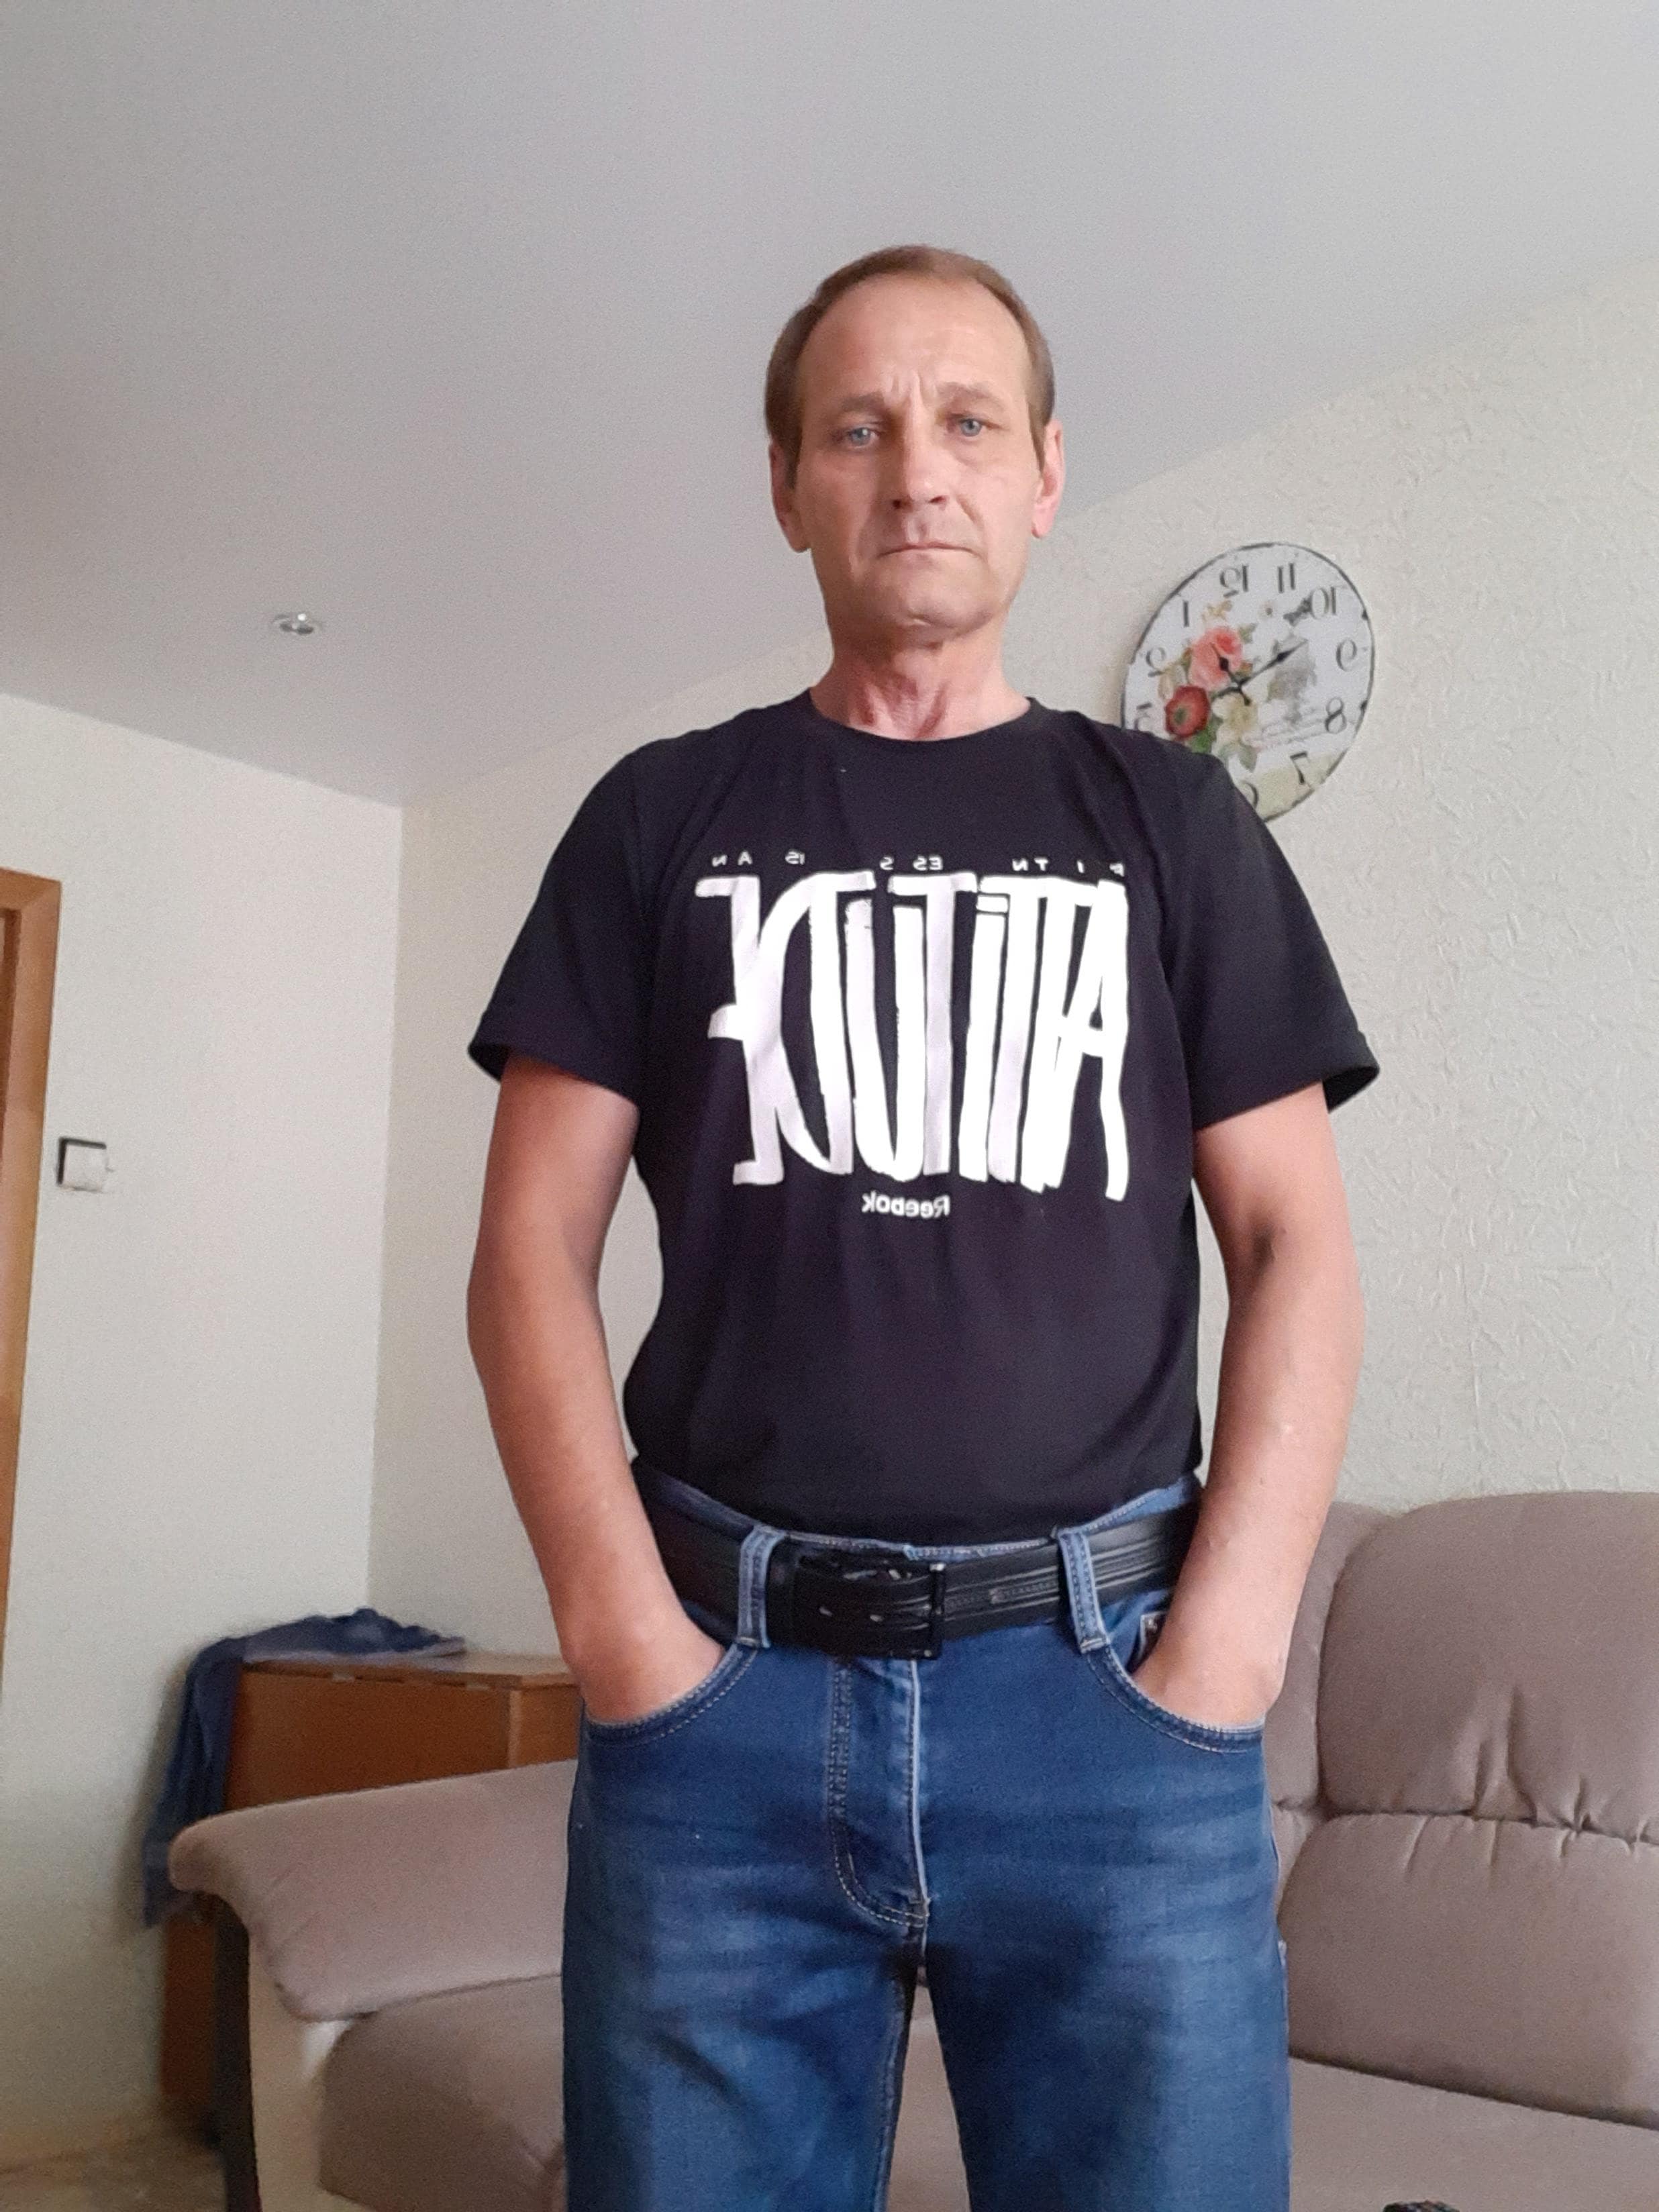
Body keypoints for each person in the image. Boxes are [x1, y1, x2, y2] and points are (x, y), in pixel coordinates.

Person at [465, 243, 1378, 2212]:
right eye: (858, 429)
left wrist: (1227, 1654)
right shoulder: (657, 816)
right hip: (720, 1703)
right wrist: (622, 1642)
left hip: (1112, 1700)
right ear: (787, 484)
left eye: (969, 421)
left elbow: (1294, 1245)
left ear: (1045, 473)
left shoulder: (1174, 820)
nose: (916, 471)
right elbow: (527, 1252)